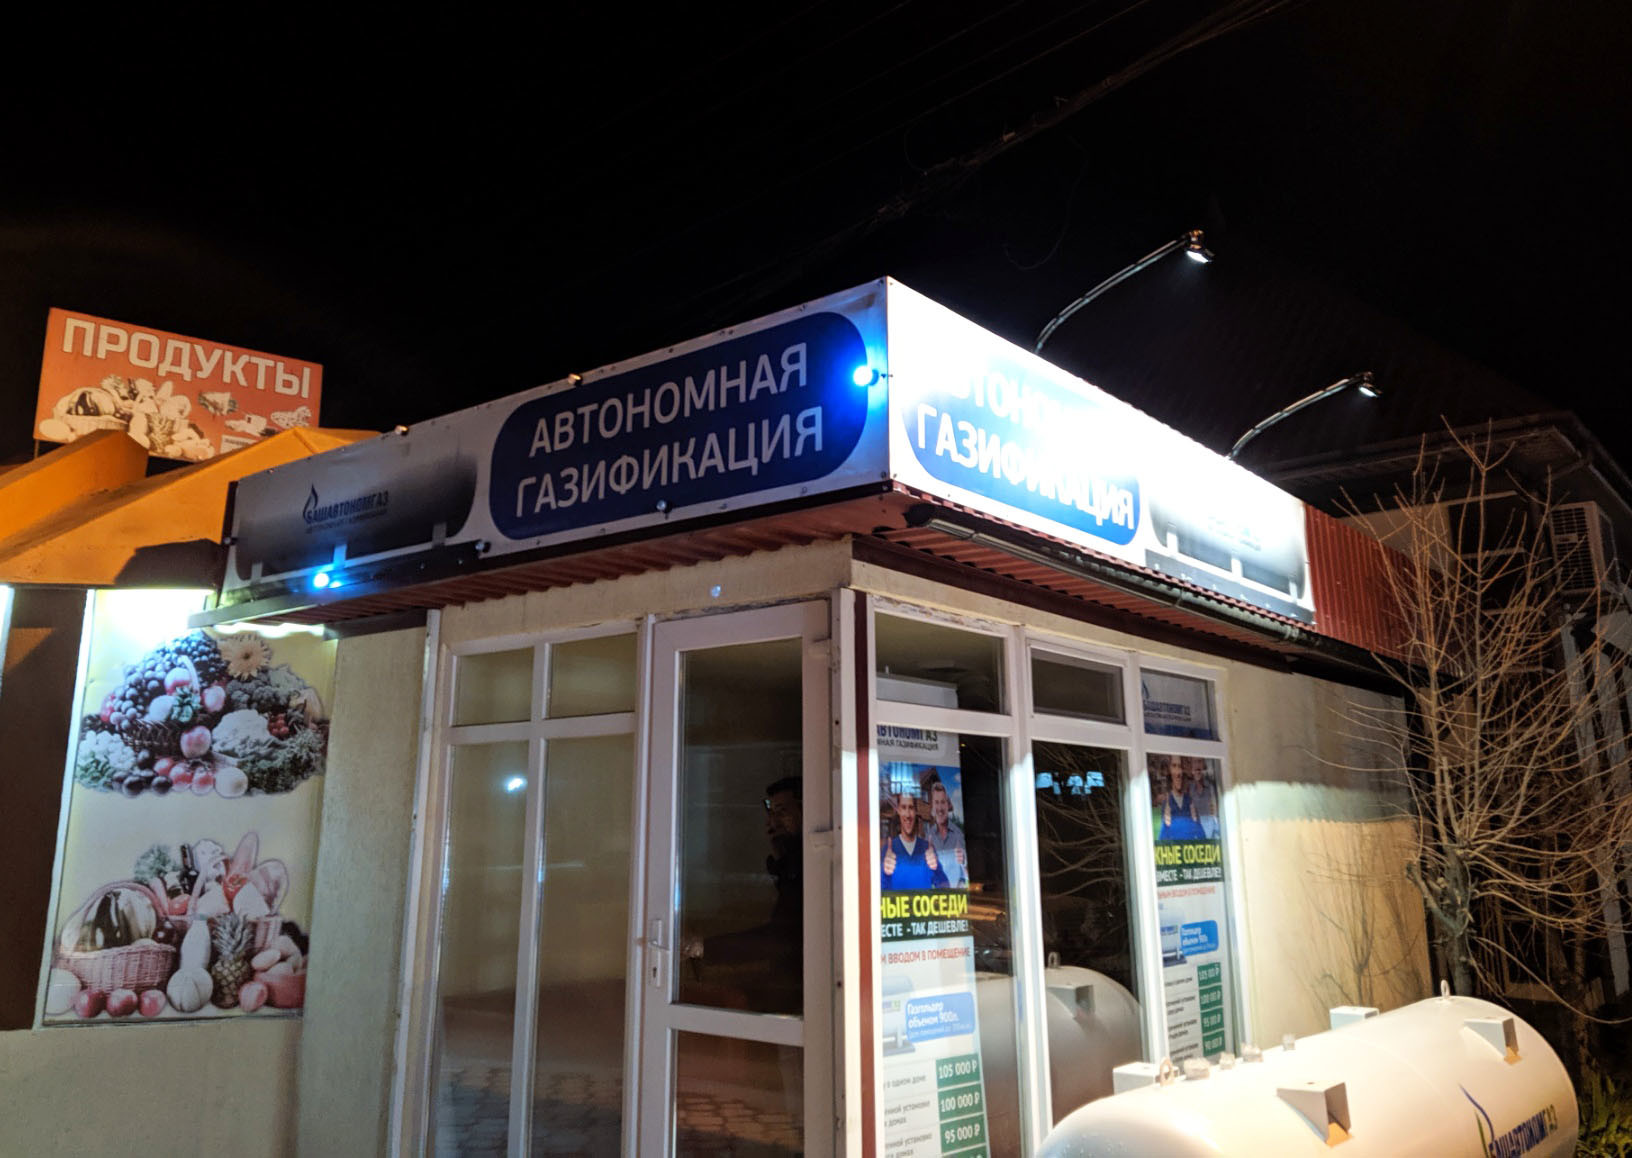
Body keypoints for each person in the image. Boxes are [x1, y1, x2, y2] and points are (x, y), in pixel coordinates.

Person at [882, 788, 948, 889]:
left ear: (916, 811)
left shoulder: (928, 849)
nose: (908, 814)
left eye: (911, 808)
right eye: (903, 807)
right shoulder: (888, 851)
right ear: (898, 810)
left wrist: (936, 870)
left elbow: (945, 887)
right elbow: (877, 892)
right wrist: (885, 874)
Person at [921, 773, 968, 889]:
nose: (940, 808)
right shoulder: (928, 837)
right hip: (937, 896)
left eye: (943, 802)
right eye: (936, 802)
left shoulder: (959, 834)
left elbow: (966, 873)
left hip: (956, 894)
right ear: (933, 806)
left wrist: (964, 861)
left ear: (947, 805)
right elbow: (925, 873)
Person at [1156, 754, 1204, 841]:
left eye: (1180, 767)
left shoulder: (1190, 801)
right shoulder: (1167, 803)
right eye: (1174, 766)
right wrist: (1166, 825)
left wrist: (1195, 822)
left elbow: (1201, 836)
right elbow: (1163, 839)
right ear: (1170, 770)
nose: (1178, 773)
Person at [1186, 757, 1220, 840]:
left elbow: (1216, 813)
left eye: (1199, 761)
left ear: (1203, 765)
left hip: (1211, 827)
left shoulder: (1211, 787)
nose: (1197, 765)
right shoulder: (1189, 788)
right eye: (1195, 762)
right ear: (1191, 766)